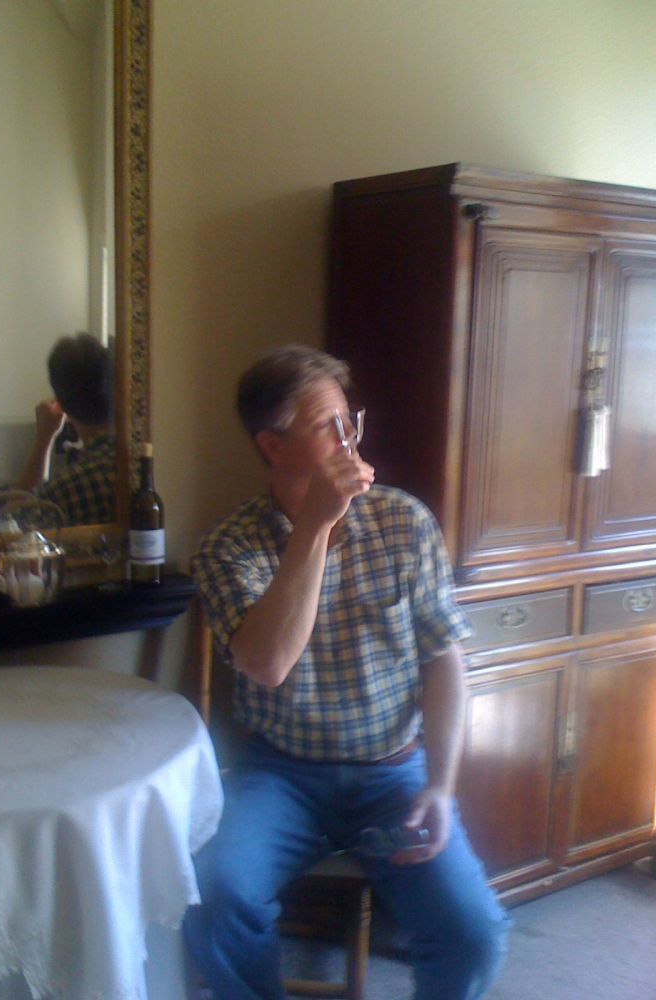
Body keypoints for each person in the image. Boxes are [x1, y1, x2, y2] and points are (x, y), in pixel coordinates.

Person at [184, 344, 510, 1000]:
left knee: (474, 934)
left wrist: (441, 788)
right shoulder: (229, 548)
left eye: (348, 421)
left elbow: (445, 660)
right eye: (327, 425)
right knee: (212, 902)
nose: (348, 439)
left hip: (393, 773)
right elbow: (268, 664)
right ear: (273, 447)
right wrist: (314, 528)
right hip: (278, 776)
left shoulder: (404, 522)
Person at [15, 332, 115, 525]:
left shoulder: (62, 489)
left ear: (60, 404)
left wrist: (44, 440)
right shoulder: (148, 468)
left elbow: (15, 526)